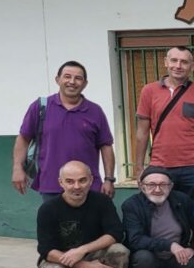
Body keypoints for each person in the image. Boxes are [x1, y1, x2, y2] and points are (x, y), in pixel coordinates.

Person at [13, 60, 117, 202]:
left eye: (78, 78)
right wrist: (17, 168)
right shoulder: (40, 107)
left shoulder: (95, 111)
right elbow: (24, 139)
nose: (72, 82)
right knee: (54, 224)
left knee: (91, 225)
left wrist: (109, 179)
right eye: (67, 76)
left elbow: (106, 146)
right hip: (51, 185)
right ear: (58, 80)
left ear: (85, 83)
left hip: (88, 187)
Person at [36, 161, 129, 268]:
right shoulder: (48, 209)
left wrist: (82, 250)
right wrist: (84, 265)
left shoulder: (102, 202)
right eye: (70, 181)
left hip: (95, 257)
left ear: (91, 180)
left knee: (120, 250)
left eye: (82, 180)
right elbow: (46, 250)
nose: (77, 186)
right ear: (61, 182)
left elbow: (115, 233)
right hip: (61, 261)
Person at [134, 46, 194, 198]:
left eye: (184, 62)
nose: (178, 66)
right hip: (160, 165)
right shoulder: (149, 91)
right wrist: (139, 167)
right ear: (166, 62)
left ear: (192, 67)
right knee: (162, 214)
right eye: (174, 60)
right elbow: (142, 132)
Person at [122, 166, 194, 268]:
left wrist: (192, 247)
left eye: (163, 184)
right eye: (151, 185)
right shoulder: (131, 205)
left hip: (174, 257)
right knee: (144, 257)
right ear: (141, 186)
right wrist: (170, 245)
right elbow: (135, 240)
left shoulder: (182, 201)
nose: (157, 189)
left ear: (171, 186)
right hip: (147, 257)